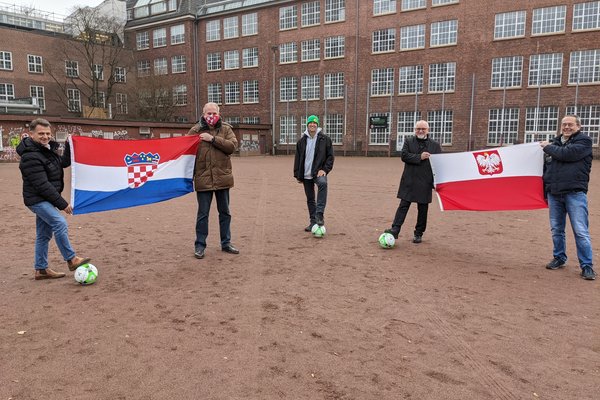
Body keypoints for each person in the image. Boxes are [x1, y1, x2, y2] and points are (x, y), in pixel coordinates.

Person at [17, 118, 90, 280]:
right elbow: (42, 185)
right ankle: (71, 259)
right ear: (31, 134)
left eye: (48, 133)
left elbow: (62, 163)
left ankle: (41, 269)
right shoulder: (30, 156)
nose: (45, 136)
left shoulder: (46, 149)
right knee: (59, 222)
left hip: (47, 199)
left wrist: (69, 145)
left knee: (43, 235)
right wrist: (63, 205)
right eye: (41, 133)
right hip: (37, 200)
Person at [540, 115, 595, 280]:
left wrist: (547, 147)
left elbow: (568, 154)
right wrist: (545, 192)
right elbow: (545, 170)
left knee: (580, 231)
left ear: (578, 126)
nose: (567, 127)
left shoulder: (584, 142)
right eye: (564, 124)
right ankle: (559, 257)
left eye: (570, 124)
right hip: (555, 194)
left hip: (574, 193)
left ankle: (587, 266)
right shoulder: (555, 143)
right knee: (557, 229)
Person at [188, 102, 239, 259]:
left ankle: (226, 243)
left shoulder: (226, 129)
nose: (211, 116)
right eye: (208, 113)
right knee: (203, 214)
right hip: (203, 179)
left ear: (219, 113)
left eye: (214, 113)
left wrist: (212, 139)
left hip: (222, 178)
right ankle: (200, 245)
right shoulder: (195, 130)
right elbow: (187, 153)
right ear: (203, 114)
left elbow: (232, 146)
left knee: (225, 213)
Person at [384, 120, 441, 243]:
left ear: (428, 130)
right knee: (403, 206)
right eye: (418, 129)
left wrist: (437, 182)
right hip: (409, 180)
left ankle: (418, 233)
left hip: (425, 182)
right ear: (415, 130)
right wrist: (419, 157)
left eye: (423, 129)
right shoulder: (408, 142)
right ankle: (395, 229)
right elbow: (404, 156)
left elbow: (439, 164)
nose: (420, 131)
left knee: (423, 209)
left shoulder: (435, 145)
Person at [293, 115, 334, 231]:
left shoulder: (325, 140)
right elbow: (298, 158)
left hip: (318, 172)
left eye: (314, 123)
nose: (312, 125)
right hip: (305, 174)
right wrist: (297, 174)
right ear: (307, 125)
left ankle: (319, 215)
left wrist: (324, 170)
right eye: (310, 123)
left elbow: (330, 157)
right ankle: (313, 222)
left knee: (322, 184)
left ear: (317, 125)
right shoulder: (301, 142)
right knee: (310, 198)